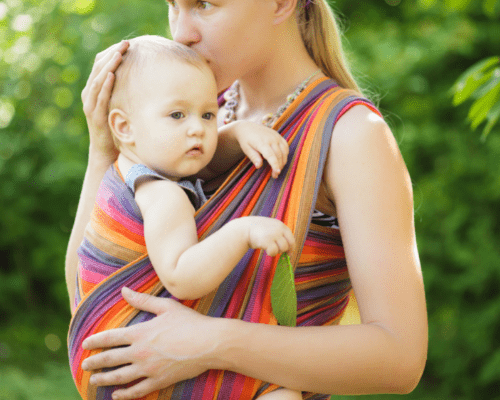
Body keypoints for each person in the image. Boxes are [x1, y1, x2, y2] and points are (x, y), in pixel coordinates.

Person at [66, 0, 428, 399]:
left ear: (280, 4)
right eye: (173, 6)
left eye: (204, 4)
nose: (182, 31)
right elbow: (89, 306)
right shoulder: (192, 121)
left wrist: (210, 342)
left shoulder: (350, 134)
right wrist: (104, 153)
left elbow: (400, 357)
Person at [71, 34, 301, 400]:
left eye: (208, 114)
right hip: (140, 365)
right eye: (177, 114)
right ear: (124, 127)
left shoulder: (126, 172)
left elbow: (201, 158)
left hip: (108, 365)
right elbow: (182, 277)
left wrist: (237, 131)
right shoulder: (163, 194)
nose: (197, 128)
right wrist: (243, 230)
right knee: (282, 391)